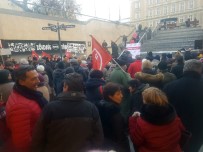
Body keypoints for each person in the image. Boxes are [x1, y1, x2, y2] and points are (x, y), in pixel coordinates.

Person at [31, 73, 103, 152]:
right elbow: (98, 137)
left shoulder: (50, 108)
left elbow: (38, 137)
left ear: (65, 86)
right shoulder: (91, 108)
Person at [6, 65, 48, 152]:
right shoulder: (20, 106)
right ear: (21, 82)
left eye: (37, 77)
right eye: (33, 79)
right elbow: (22, 143)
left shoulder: (28, 94)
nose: (38, 81)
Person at [129, 87, 185, 152]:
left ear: (147, 101)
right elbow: (182, 131)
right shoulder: (174, 116)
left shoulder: (142, 123)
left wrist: (132, 119)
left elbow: (135, 140)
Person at [164, 59, 203, 152]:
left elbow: (164, 109)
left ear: (184, 70)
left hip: (174, 129)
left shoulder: (169, 86)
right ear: (200, 70)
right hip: (198, 130)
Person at [96, 82, 130, 152]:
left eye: (121, 93)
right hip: (116, 146)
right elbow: (120, 136)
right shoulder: (115, 113)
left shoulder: (99, 107)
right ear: (110, 96)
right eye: (118, 94)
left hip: (104, 145)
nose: (122, 96)